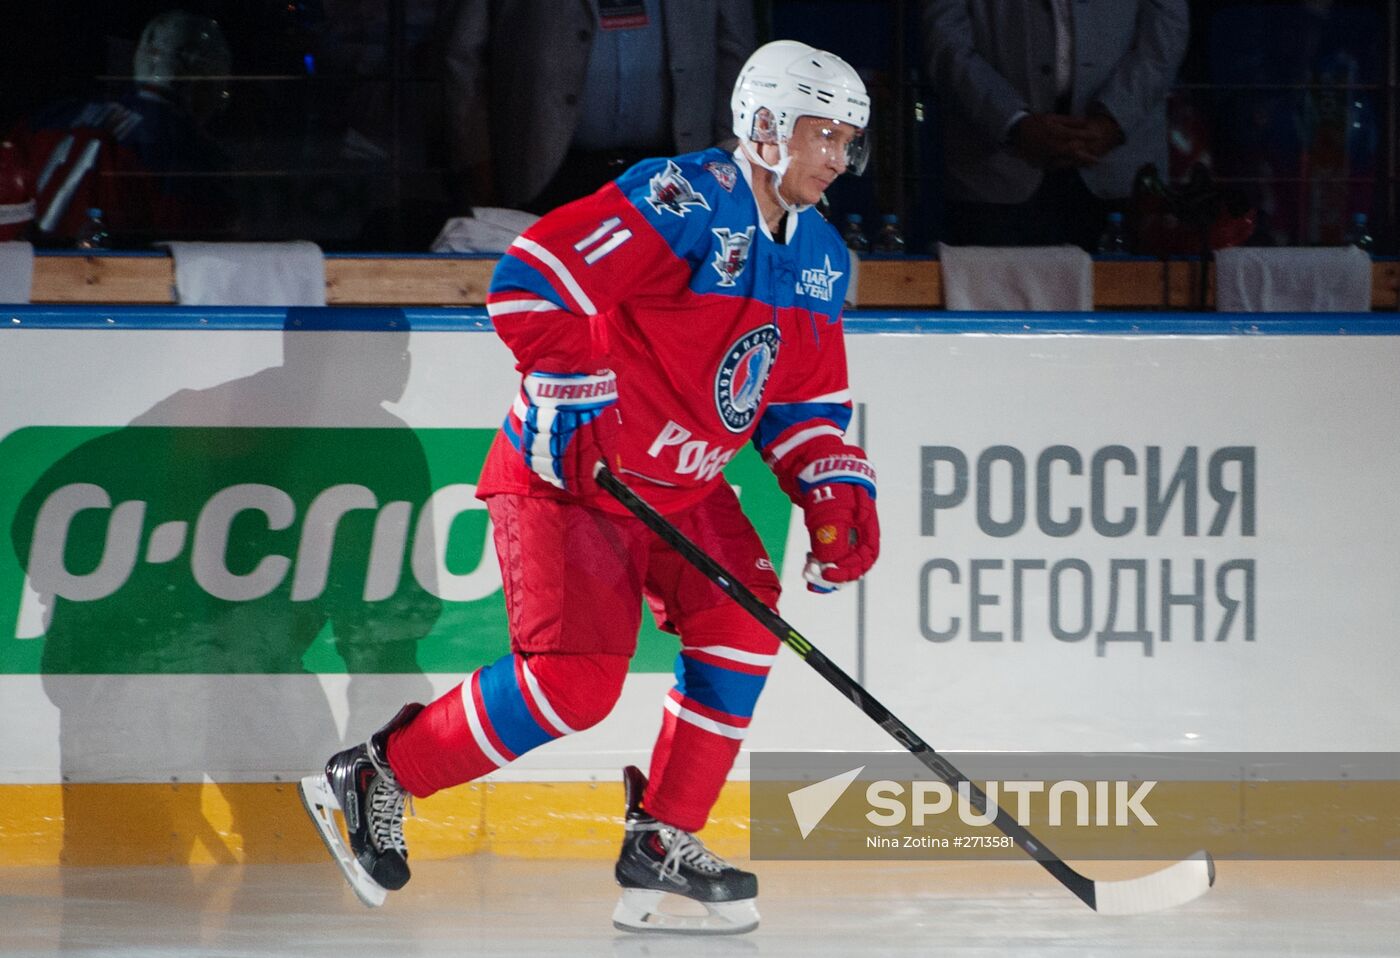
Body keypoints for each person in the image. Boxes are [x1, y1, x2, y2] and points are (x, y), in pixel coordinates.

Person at [300, 39, 880, 935]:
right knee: (574, 683)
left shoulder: (823, 257)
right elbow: (531, 279)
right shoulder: (683, 199)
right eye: (824, 136)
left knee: (742, 615)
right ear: (765, 129)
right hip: (574, 480)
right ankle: (382, 772)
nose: (840, 158)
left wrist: (830, 485)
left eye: (851, 141)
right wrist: (572, 390)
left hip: (681, 491)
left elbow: (796, 396)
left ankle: (663, 838)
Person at [438, 0, 755, 214]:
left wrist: (730, 164)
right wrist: (477, 161)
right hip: (547, 176)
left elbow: (735, 55)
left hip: (679, 172)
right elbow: (463, 56)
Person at [921, 0, 1189, 250]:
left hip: (1121, 167)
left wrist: (1115, 118)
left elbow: (1168, 28)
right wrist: (1012, 123)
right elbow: (944, 38)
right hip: (993, 169)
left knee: (1125, 296)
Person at [6, 9, 237, 246]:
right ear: (203, 79)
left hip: (29, 275)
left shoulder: (50, 117)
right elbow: (198, 256)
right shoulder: (186, 144)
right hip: (110, 277)